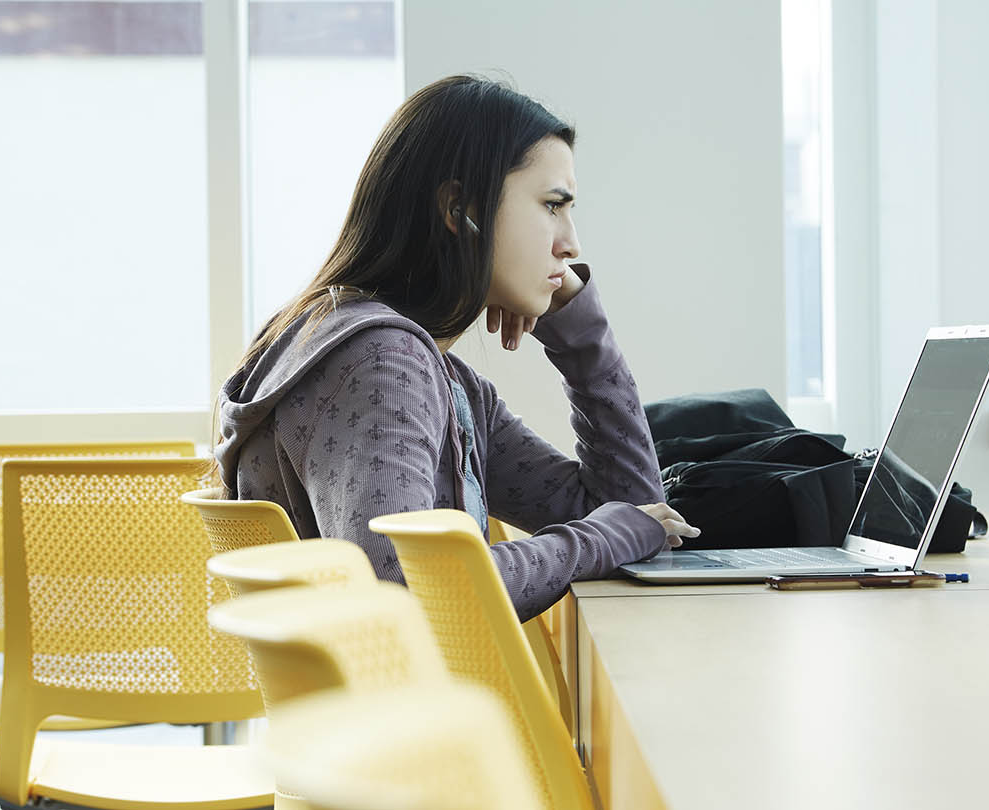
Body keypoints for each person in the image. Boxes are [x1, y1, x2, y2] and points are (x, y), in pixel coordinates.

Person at [213, 75, 699, 621]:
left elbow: (631, 513)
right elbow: (405, 589)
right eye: (551, 206)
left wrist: (582, 339)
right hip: (430, 707)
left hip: (402, 705)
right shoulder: (382, 365)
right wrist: (598, 540)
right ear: (459, 209)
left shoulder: (435, 377)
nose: (571, 244)